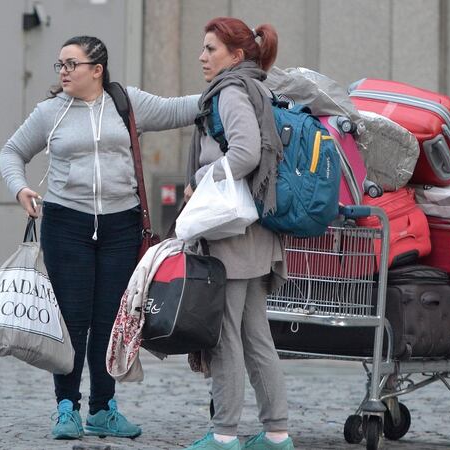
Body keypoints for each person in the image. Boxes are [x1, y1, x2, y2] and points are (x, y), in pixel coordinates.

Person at [0, 35, 199, 440]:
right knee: (73, 321)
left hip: (121, 226)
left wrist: (233, 87)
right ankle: (66, 408)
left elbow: (181, 108)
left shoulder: (127, 103)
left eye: (71, 64)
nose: (64, 71)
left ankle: (103, 409)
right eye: (60, 64)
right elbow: (11, 152)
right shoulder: (49, 112)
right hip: (66, 225)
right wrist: (19, 188)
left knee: (110, 320)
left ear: (97, 70)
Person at [182, 18, 294, 450]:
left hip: (232, 233)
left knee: (225, 335)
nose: (202, 57)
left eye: (211, 49)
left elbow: (245, 153)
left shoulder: (230, 91)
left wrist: (201, 179)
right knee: (254, 335)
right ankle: (277, 434)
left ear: (236, 55)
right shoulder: (256, 86)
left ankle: (224, 434)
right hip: (255, 231)